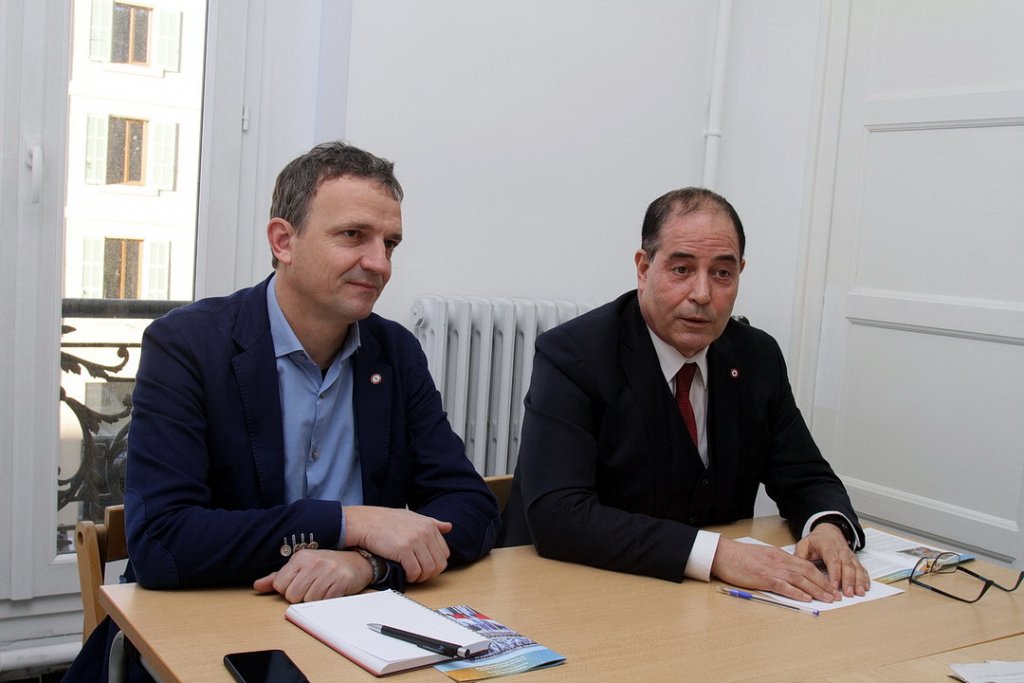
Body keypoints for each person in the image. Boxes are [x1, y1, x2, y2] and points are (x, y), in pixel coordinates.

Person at [64, 141, 498, 681]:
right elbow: (163, 543)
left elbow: (472, 510)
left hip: (357, 631)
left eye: (390, 242)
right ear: (283, 240)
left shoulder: (395, 353)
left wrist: (368, 563)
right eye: (353, 236)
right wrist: (352, 523)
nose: (380, 263)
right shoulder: (188, 345)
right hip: (211, 631)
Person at [499, 187, 869, 604]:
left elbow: (806, 475)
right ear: (643, 268)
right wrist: (716, 554)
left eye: (722, 273)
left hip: (712, 604)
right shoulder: (573, 354)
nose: (702, 294)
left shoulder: (757, 356)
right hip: (573, 593)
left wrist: (828, 527)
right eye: (681, 269)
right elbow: (559, 516)